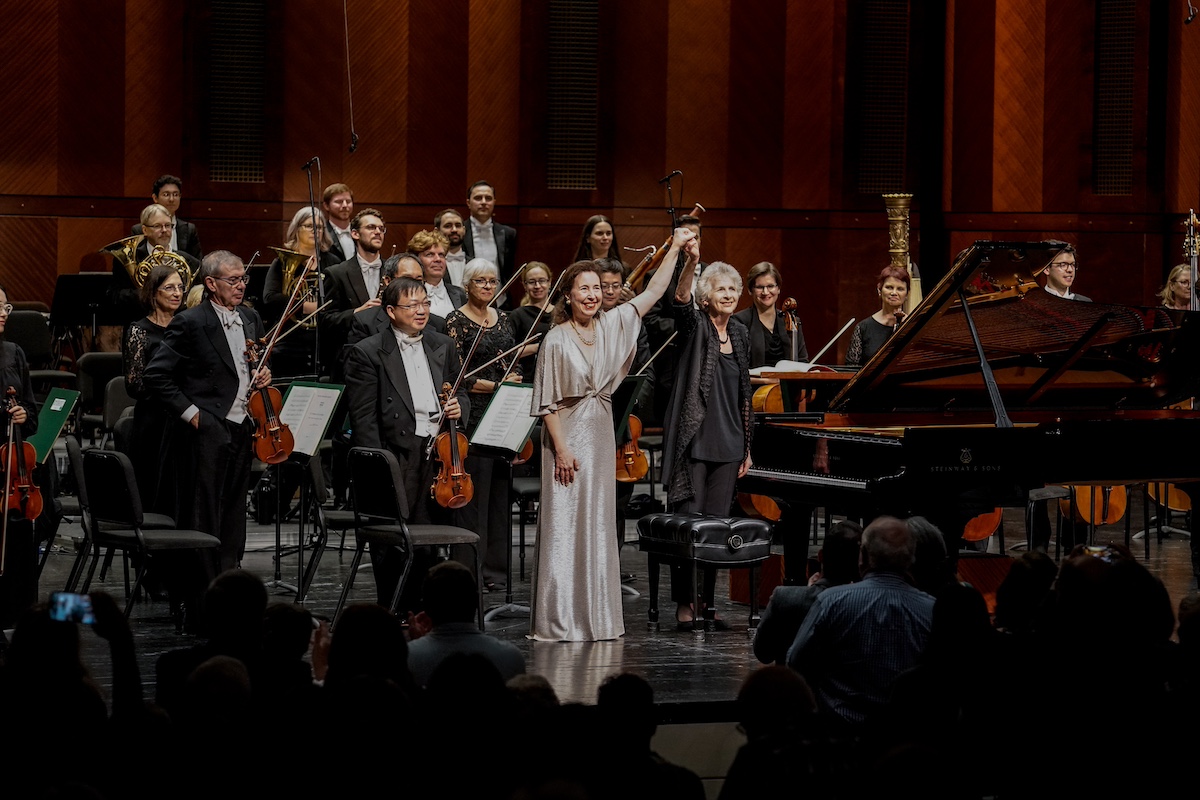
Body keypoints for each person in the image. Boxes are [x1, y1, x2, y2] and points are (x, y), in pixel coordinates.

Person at [528, 229, 686, 642]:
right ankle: (561, 618)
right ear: (568, 296)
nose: (592, 295)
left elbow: (653, 291)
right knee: (565, 524)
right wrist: (562, 450)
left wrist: (675, 248)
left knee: (598, 523)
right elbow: (547, 404)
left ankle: (597, 617)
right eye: (584, 289)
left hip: (599, 433)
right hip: (566, 439)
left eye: (597, 288)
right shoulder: (555, 339)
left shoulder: (611, 325)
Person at [144, 251, 273, 575]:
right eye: (233, 280)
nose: (241, 285)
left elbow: (254, 363)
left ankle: (229, 575)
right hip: (207, 429)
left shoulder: (250, 318)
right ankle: (202, 585)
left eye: (243, 278)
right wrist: (193, 414)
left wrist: (264, 372)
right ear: (211, 283)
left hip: (244, 425)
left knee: (235, 508)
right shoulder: (190, 322)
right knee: (205, 511)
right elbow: (156, 375)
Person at [343, 276, 468, 605]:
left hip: (438, 455)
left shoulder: (444, 344)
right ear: (391, 311)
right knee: (394, 544)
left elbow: (461, 392)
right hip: (395, 455)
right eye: (412, 305)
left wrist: (459, 408)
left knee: (431, 538)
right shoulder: (367, 352)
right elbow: (364, 420)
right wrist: (380, 468)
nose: (421, 310)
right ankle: (395, 611)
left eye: (425, 303)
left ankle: (427, 610)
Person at [661, 252, 754, 628]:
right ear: (706, 296)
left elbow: (744, 394)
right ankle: (686, 603)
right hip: (695, 443)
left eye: (733, 289)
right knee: (689, 527)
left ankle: (707, 604)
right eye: (721, 289)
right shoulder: (696, 325)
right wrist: (690, 262)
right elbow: (680, 299)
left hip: (730, 445)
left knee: (717, 531)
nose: (729, 295)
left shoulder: (740, 333)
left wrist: (747, 447)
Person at [786, 516, 935, 730]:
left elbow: (795, 662)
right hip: (905, 736)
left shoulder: (831, 601)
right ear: (911, 559)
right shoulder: (932, 609)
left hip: (839, 734)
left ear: (862, 556)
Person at [445, 258, 520, 591]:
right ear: (467, 285)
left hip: (503, 413)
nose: (488, 286)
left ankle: (496, 572)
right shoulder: (456, 321)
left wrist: (511, 380)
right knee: (474, 498)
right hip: (474, 416)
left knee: (500, 497)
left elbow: (511, 361)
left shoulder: (503, 318)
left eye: (492, 281)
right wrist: (497, 386)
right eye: (481, 281)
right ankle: (469, 572)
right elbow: (458, 376)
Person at [753, 520, 862, 666]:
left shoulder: (784, 598)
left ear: (820, 556)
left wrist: (809, 592)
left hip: (795, 680)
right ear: (862, 563)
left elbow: (763, 653)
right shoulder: (865, 605)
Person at [122, 264, 185, 515]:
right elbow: (134, 384)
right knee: (152, 489)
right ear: (153, 293)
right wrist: (169, 394)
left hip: (182, 415)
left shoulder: (187, 327)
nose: (177, 293)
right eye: (169, 288)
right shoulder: (139, 330)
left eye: (180, 287)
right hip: (153, 420)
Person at [405, 560, 526, 687]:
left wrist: (416, 644)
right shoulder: (510, 657)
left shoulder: (408, 659)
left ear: (425, 606)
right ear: (477, 601)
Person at [262, 206, 341, 379]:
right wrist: (308, 307)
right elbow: (270, 298)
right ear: (297, 229)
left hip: (323, 343)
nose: (315, 230)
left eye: (319, 227)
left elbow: (339, 299)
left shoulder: (333, 262)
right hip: (289, 343)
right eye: (309, 226)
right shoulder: (281, 262)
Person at [0, 288, 39, 630]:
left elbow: (32, 412)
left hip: (13, 469)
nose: (3, 313)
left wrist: (23, 414)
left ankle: (18, 613)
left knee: (24, 527)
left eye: (5, 307)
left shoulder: (14, 352)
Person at [319, 208, 388, 376]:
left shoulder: (393, 270)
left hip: (388, 356)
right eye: (371, 227)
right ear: (355, 234)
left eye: (381, 228)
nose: (378, 232)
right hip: (352, 361)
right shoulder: (336, 273)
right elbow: (325, 320)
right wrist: (357, 312)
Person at [111, 203, 202, 323]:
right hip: (140, 322)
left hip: (181, 324)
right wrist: (147, 293)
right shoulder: (129, 259)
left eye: (168, 225)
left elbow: (196, 297)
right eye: (157, 226)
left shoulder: (190, 262)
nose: (164, 230)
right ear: (145, 230)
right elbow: (116, 296)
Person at [732, 261, 808, 368]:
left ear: (778, 288)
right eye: (759, 287)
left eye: (770, 286)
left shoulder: (792, 321)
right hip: (755, 379)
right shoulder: (739, 322)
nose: (765, 292)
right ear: (750, 290)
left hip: (786, 379)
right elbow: (737, 366)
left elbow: (802, 361)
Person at [845, 264, 910, 367]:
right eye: (889, 287)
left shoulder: (913, 325)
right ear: (879, 290)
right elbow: (851, 367)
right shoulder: (863, 328)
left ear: (906, 295)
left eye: (900, 289)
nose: (894, 293)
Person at [131, 174, 202, 260]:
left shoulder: (189, 229)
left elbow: (196, 262)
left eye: (175, 194)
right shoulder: (138, 230)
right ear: (155, 198)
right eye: (166, 194)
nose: (171, 199)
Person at [510, 261, 554, 381]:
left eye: (542, 280)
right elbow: (508, 353)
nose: (537, 286)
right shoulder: (517, 315)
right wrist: (538, 347)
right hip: (528, 379)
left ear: (550, 282)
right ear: (524, 285)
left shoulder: (560, 314)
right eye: (532, 282)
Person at [410, 229, 466, 318]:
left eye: (441, 255)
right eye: (430, 254)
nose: (438, 259)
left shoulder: (460, 293)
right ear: (416, 259)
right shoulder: (409, 293)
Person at [322, 183, 355, 262]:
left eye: (348, 201)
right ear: (326, 206)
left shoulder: (360, 231)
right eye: (339, 202)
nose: (345, 205)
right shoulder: (322, 233)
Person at [435, 208, 469, 287]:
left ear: (464, 230)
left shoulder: (473, 262)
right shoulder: (431, 263)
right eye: (448, 226)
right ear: (436, 231)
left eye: (458, 226)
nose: (454, 230)